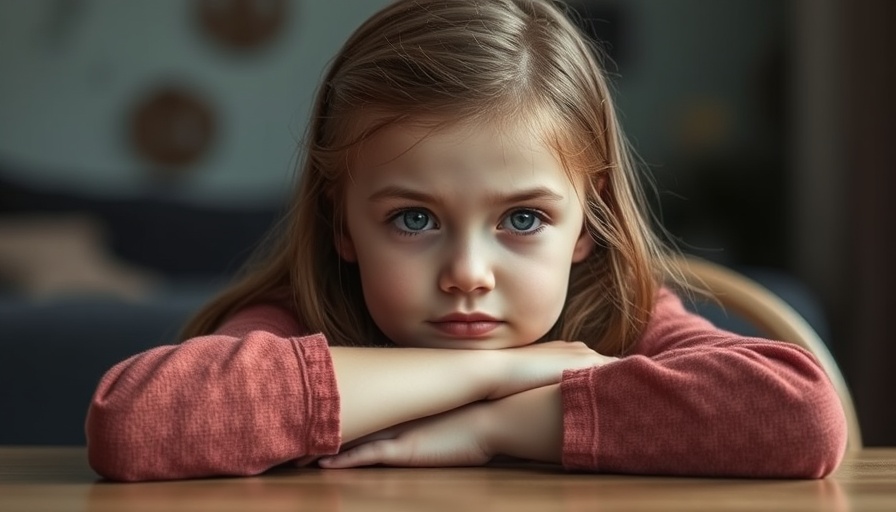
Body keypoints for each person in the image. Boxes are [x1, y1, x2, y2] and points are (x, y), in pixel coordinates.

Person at [86, 0, 846, 482]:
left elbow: (802, 416)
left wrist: (491, 425)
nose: (468, 274)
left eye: (523, 220)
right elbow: (133, 425)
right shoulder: (301, 317)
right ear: (342, 224)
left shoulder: (619, 320)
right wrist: (493, 373)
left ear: (589, 222)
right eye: (413, 219)